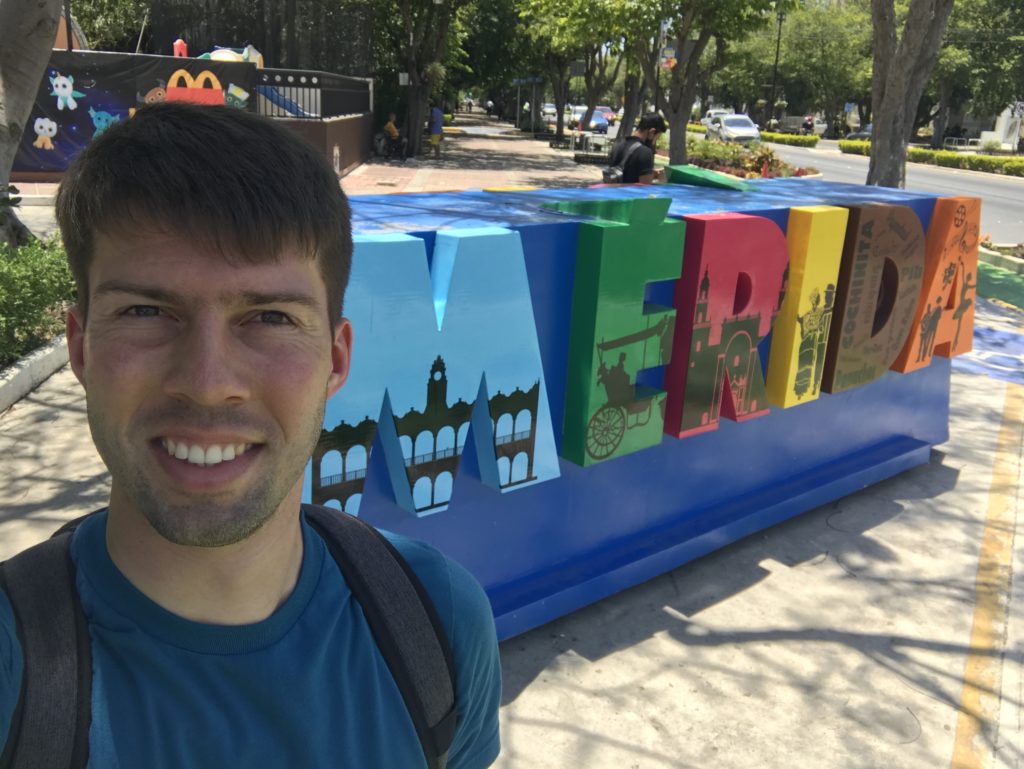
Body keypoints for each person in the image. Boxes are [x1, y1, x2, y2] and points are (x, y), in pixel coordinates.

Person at [0, 103, 501, 768]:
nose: (207, 382)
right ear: (81, 348)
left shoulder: (439, 624)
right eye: (146, 311)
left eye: (268, 316)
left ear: (336, 359)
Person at [607, 112, 667, 184]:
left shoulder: (618, 145)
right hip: (631, 195)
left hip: (613, 193)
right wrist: (661, 180)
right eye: (656, 138)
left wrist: (651, 173)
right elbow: (645, 188)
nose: (654, 143)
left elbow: (627, 173)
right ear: (652, 132)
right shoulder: (645, 152)